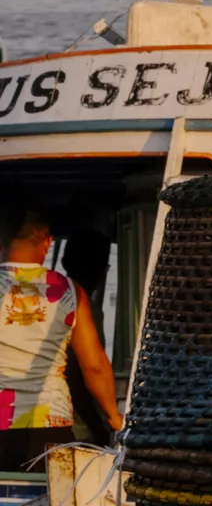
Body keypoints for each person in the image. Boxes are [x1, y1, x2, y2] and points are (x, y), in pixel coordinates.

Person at [0, 199, 121, 470]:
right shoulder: (69, 291)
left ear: (3, 243)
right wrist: (114, 417)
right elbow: (95, 366)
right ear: (47, 244)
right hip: (50, 426)